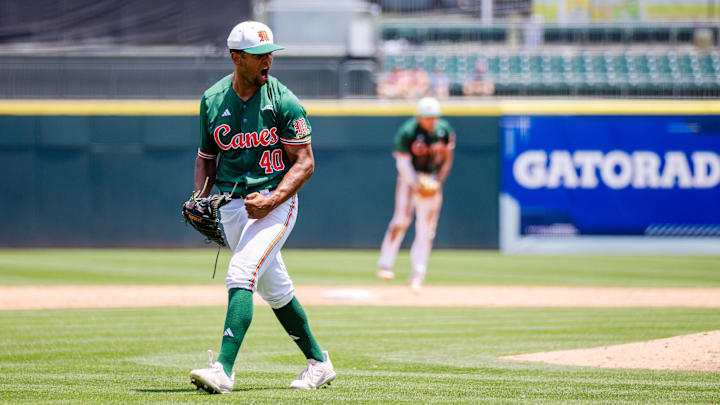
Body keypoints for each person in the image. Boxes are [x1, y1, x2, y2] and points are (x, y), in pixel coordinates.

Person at [187, 20, 335, 394]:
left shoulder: (283, 100)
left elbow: (305, 162)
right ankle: (319, 364)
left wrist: (272, 200)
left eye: (269, 53)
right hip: (232, 206)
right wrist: (201, 197)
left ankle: (223, 369)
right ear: (237, 58)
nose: (268, 60)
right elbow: (206, 157)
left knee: (241, 273)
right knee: (277, 290)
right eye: (258, 55)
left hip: (276, 203)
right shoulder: (212, 99)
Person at [376, 97, 456, 293]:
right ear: (419, 116)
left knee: (426, 230)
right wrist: (415, 183)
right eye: (427, 117)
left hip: (432, 179)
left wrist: (437, 182)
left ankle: (417, 275)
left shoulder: (444, 130)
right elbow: (402, 164)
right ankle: (385, 265)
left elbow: (447, 159)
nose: (431, 121)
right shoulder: (408, 131)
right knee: (401, 220)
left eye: (434, 117)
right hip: (409, 179)